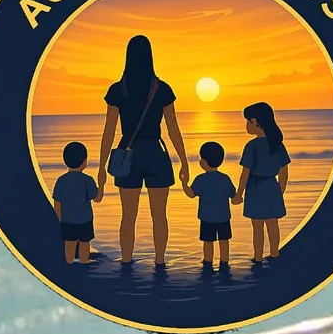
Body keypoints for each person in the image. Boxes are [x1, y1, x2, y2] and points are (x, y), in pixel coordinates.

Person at [95, 35, 188, 267]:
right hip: (156, 153)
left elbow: (109, 131)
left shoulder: (118, 90)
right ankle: (159, 263)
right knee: (159, 215)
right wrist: (184, 162)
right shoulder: (162, 89)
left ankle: (126, 262)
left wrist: (101, 167)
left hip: (128, 154)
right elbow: (173, 128)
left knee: (128, 216)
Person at [240, 103, 289, 262]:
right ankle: (275, 253)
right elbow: (284, 170)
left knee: (257, 227)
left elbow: (245, 173)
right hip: (272, 187)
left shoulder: (252, 146)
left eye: (248, 121)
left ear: (255, 122)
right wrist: (280, 190)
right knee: (273, 224)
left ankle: (258, 257)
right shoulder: (277, 144)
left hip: (256, 188)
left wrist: (239, 193)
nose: (247, 125)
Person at [185, 142, 237, 271]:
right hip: (223, 217)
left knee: (208, 242)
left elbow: (191, 194)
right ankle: (224, 261)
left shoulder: (200, 179)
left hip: (207, 218)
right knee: (224, 240)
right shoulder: (225, 178)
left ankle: (208, 261)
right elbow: (233, 195)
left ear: (204, 161)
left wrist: (183, 183)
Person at [51, 141, 99, 264]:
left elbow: (57, 203)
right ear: (85, 161)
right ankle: (84, 260)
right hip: (85, 220)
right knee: (85, 242)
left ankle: (69, 261)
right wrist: (102, 186)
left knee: (69, 242)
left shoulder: (61, 181)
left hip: (67, 220)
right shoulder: (88, 180)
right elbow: (97, 198)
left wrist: (59, 221)